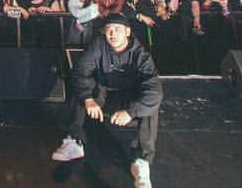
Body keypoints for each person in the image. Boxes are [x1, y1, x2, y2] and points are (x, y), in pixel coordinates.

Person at [52, 13, 162, 188]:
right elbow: (80, 72)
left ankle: (141, 161)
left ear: (127, 32)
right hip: (102, 94)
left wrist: (131, 111)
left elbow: (154, 89)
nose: (113, 34)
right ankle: (74, 141)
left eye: (118, 30)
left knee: (150, 105)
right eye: (109, 30)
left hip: (127, 98)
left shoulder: (141, 54)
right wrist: (88, 99)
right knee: (82, 88)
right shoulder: (98, 45)